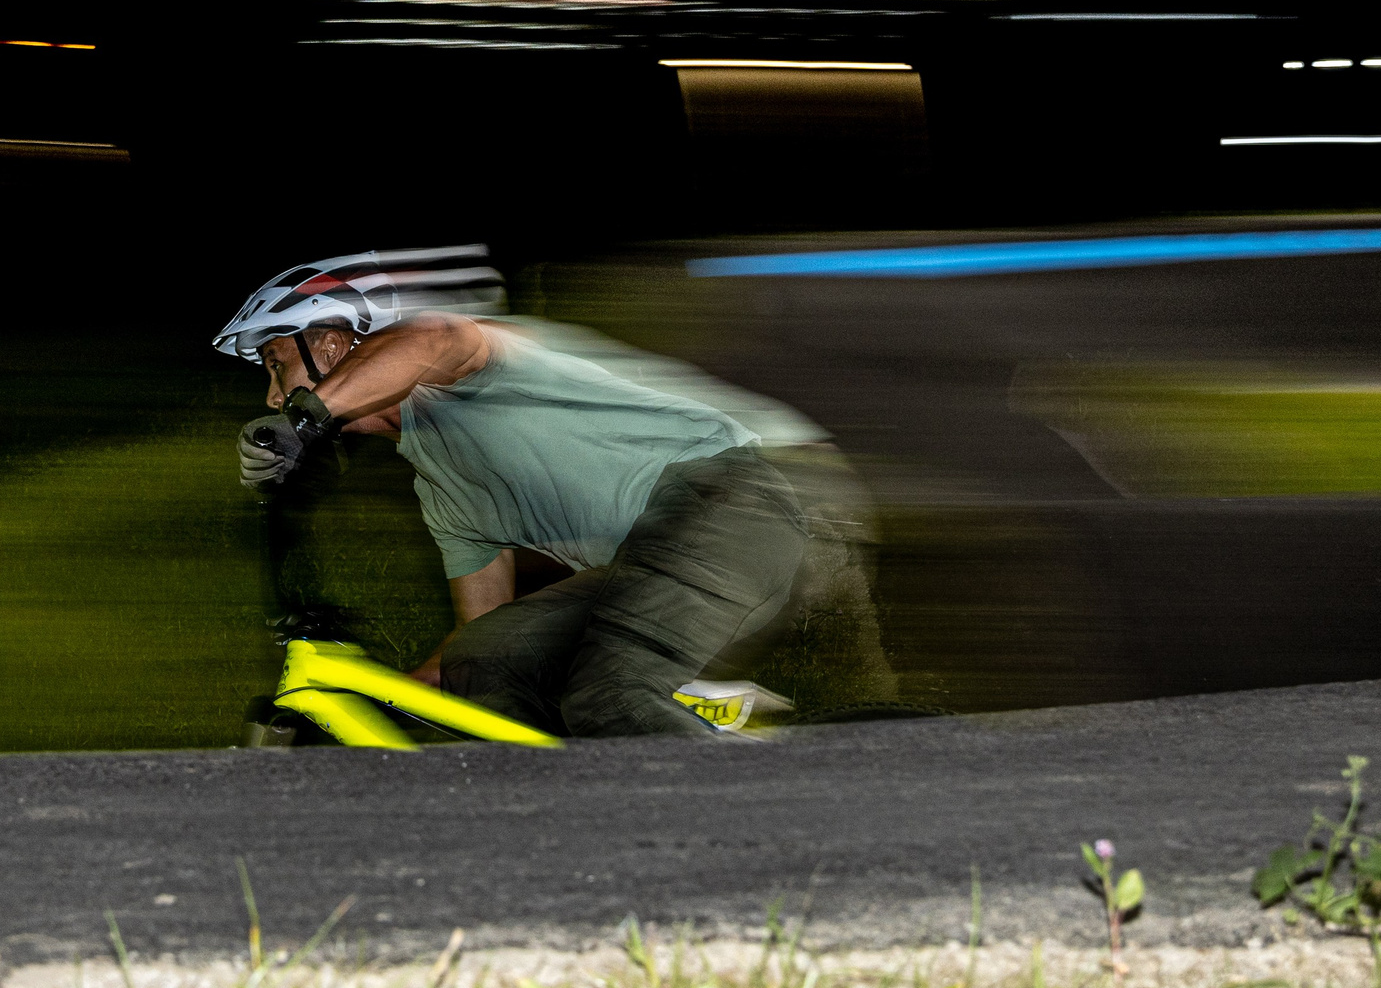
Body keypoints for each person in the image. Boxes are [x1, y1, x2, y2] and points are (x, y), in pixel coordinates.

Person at [212, 245, 896, 739]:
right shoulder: (444, 492)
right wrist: (366, 704)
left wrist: (306, 419)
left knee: (610, 691)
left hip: (760, 492)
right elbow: (474, 640)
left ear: (332, 341)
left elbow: (433, 337)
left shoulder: (457, 371)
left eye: (277, 363)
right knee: (485, 662)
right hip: (673, 553)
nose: (274, 393)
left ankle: (738, 855)